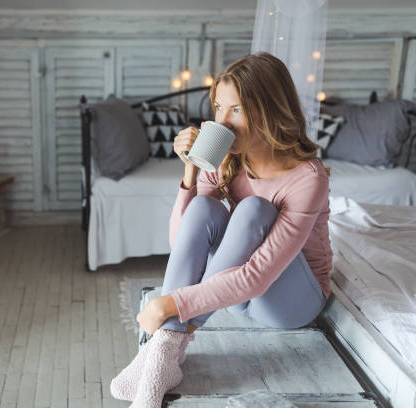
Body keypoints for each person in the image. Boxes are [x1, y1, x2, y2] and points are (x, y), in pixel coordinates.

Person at [110, 52, 332, 408]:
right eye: (219, 108)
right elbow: (181, 240)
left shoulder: (307, 178)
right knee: (203, 204)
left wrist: (169, 303)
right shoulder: (226, 155)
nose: (223, 123)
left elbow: (258, 277)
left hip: (291, 305)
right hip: (236, 301)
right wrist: (190, 173)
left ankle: (160, 351)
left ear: (271, 110)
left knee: (254, 209)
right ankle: (166, 353)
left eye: (238, 110)